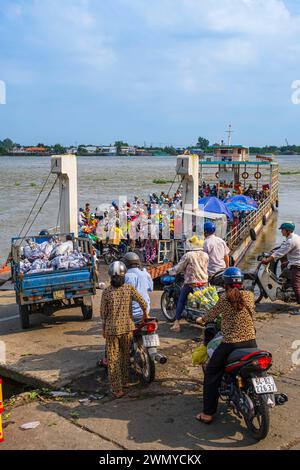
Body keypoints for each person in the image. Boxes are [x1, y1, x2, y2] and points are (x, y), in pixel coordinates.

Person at [195, 267, 257, 424]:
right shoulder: (250, 296)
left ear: (225, 283)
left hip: (231, 343)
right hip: (251, 341)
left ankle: (207, 413)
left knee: (211, 372)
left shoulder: (224, 298)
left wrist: (201, 320)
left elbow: (212, 314)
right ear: (241, 281)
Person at [100, 261, 148, 398]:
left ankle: (117, 389)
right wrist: (146, 315)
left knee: (113, 358)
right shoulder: (129, 288)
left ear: (110, 276)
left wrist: (103, 329)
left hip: (111, 330)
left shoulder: (106, 292)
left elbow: (103, 313)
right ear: (124, 275)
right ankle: (125, 382)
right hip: (127, 328)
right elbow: (143, 302)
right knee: (125, 356)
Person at [167, 236, 209, 332]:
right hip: (204, 282)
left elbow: (178, 268)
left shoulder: (188, 255)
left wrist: (170, 271)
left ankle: (177, 323)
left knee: (181, 301)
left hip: (191, 283)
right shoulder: (205, 255)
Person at [262, 222, 300, 314]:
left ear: (287, 231)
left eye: (282, 230)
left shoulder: (291, 241)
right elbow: (282, 248)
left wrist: (267, 259)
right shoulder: (294, 237)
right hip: (294, 262)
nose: (281, 231)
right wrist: (274, 251)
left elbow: (280, 253)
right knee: (284, 266)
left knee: (296, 286)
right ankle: (285, 284)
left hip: (297, 265)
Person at [123, 252, 153, 324]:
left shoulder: (126, 276)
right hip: (146, 310)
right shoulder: (146, 274)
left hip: (132, 314)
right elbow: (151, 288)